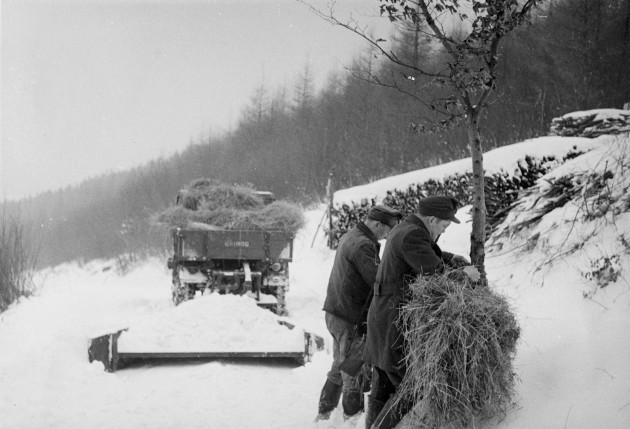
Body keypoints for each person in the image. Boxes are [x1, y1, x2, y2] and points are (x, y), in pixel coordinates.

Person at [363, 196, 480, 429]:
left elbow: (422, 255)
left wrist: (450, 257)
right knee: (411, 387)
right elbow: (434, 276)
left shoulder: (407, 228)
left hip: (383, 316)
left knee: (383, 386)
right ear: (433, 219)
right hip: (393, 320)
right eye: (444, 226)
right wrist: (466, 275)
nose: (444, 231)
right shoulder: (413, 234)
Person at [316, 205, 403, 424]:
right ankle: (350, 418)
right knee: (352, 370)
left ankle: (324, 413)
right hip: (349, 317)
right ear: (377, 224)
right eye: (386, 230)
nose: (386, 237)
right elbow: (378, 280)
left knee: (339, 365)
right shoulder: (363, 245)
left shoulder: (351, 235)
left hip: (336, 312)